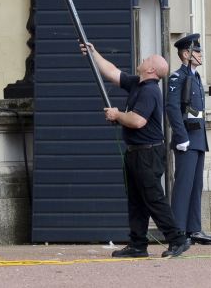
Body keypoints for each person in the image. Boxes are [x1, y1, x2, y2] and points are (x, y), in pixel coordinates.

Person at [80, 41, 190, 258]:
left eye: (147, 59)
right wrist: (94, 53)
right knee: (136, 201)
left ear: (151, 69)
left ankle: (177, 239)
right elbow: (112, 72)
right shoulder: (137, 83)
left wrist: (116, 115)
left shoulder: (150, 91)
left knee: (153, 199)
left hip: (147, 153)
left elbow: (138, 121)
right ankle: (138, 244)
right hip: (136, 151)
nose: (144, 59)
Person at [166, 34, 211, 246]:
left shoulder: (195, 77)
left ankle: (193, 229)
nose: (200, 54)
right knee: (183, 186)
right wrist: (180, 136)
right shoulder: (178, 77)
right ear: (186, 54)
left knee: (196, 186)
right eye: (196, 51)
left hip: (198, 138)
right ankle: (178, 231)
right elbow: (172, 108)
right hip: (186, 139)